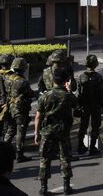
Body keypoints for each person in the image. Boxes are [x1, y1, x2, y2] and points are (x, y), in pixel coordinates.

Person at [35, 68, 77, 196]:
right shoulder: (68, 96)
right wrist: (69, 90)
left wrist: (36, 133)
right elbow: (76, 106)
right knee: (65, 158)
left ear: (53, 80)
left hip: (47, 132)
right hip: (63, 131)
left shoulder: (44, 96)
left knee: (44, 159)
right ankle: (66, 187)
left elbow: (38, 116)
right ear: (65, 81)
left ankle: (43, 188)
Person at [3, 58, 33, 163]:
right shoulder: (23, 81)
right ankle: (19, 154)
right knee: (20, 131)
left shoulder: (7, 78)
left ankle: (3, 151)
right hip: (20, 109)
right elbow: (30, 93)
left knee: (10, 131)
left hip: (9, 107)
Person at [77, 54, 103, 156]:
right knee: (95, 126)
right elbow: (102, 93)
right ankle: (93, 147)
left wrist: (79, 106)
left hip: (84, 105)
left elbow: (78, 94)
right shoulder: (98, 77)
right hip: (95, 105)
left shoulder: (81, 77)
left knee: (83, 126)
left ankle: (80, 146)